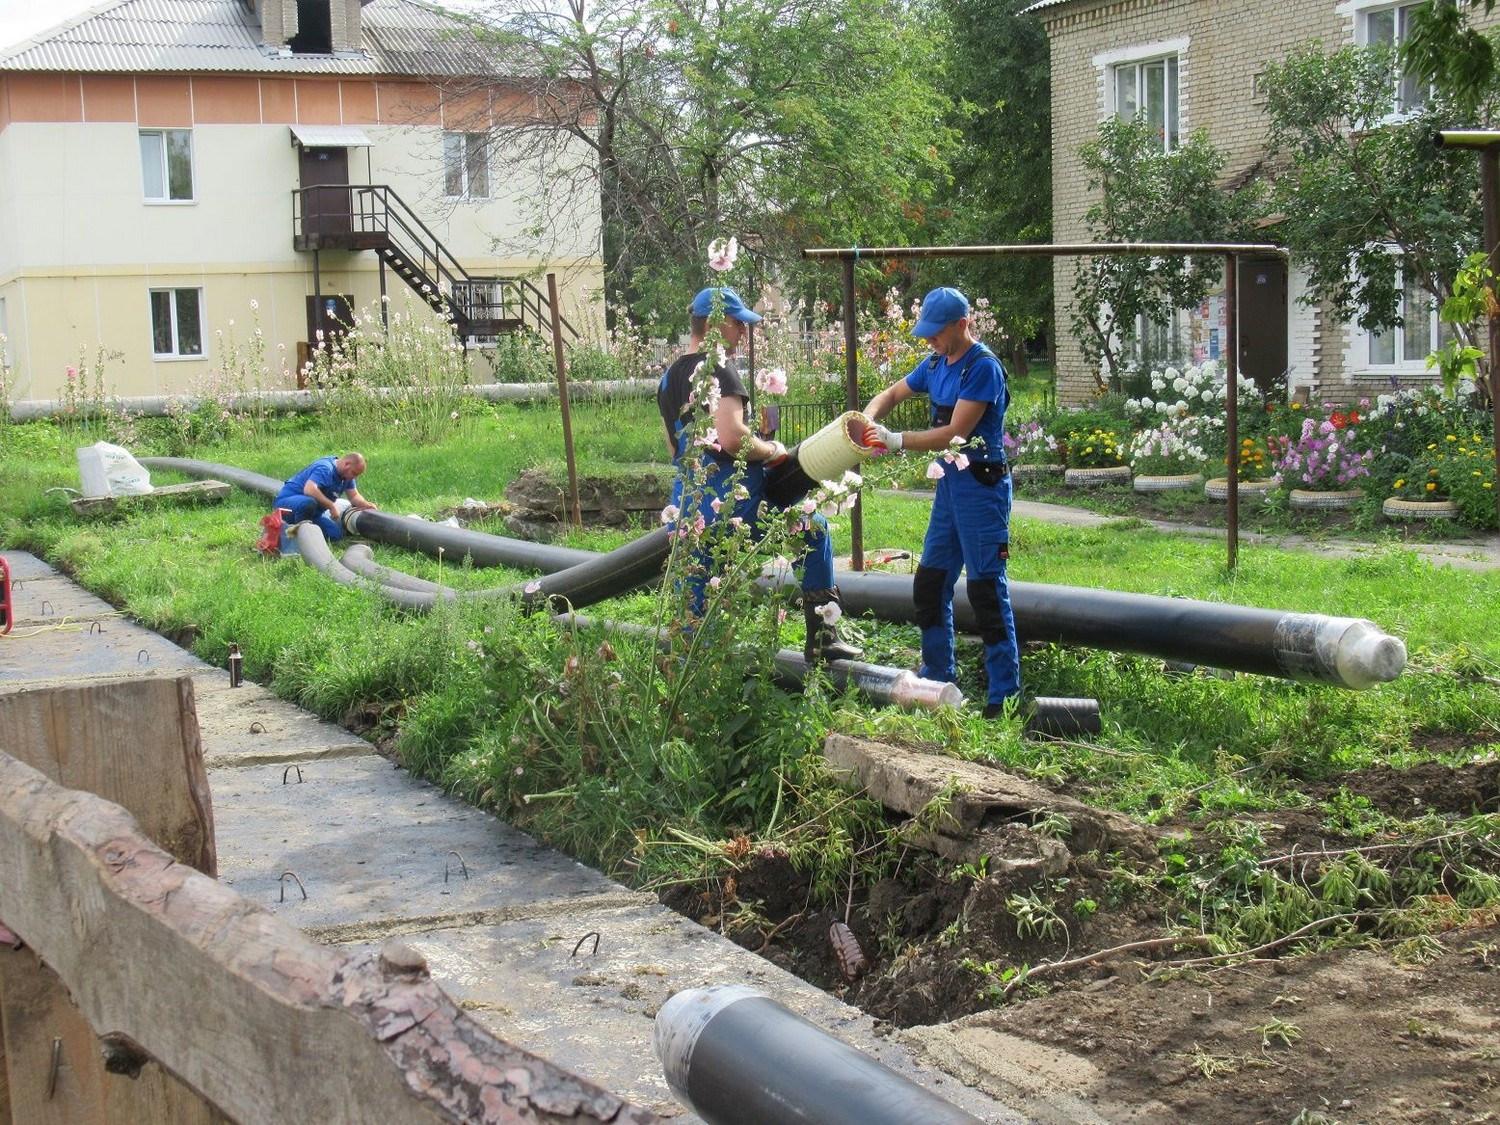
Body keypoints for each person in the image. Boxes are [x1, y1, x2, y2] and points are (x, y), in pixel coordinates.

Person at [657, 286, 861, 663]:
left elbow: (674, 450)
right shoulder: (718, 368)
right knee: (811, 528)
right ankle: (824, 639)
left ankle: (689, 689)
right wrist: (773, 450)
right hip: (733, 501)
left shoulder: (669, 378)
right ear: (716, 323)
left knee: (694, 603)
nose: (743, 333)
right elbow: (733, 438)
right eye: (738, 324)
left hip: (686, 506)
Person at [861, 286, 1019, 717]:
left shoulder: (982, 368)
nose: (929, 339)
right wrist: (867, 419)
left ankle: (1003, 696)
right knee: (930, 584)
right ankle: (936, 677)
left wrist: (895, 441)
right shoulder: (935, 362)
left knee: (985, 589)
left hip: (982, 489)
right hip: (949, 487)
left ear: (962, 325)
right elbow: (892, 394)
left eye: (936, 332)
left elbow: (955, 433)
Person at [273, 452, 376, 542]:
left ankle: (306, 532)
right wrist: (331, 506)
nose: (354, 477)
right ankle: (300, 538)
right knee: (308, 503)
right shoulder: (325, 468)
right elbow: (309, 490)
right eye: (354, 473)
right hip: (288, 506)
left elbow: (354, 496)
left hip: (314, 513)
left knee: (335, 535)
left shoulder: (346, 477)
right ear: (346, 464)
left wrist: (367, 505)